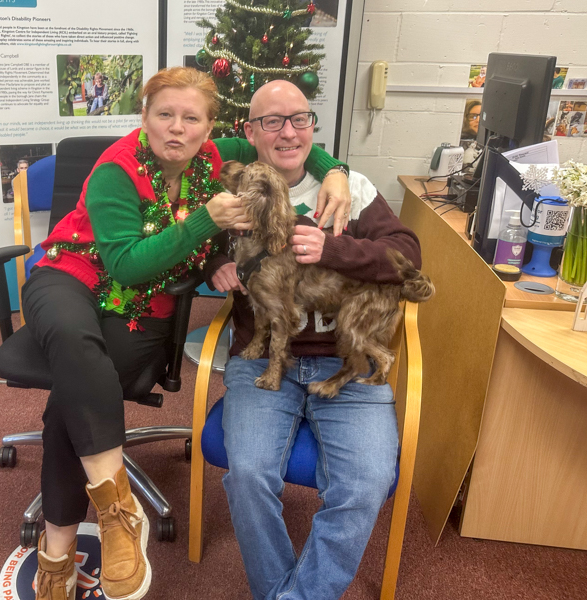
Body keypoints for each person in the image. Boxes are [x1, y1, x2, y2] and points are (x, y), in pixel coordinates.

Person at [22, 66, 351, 600]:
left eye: (190, 118)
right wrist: (207, 225)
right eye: (164, 115)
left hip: (141, 304)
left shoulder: (215, 155)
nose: (176, 128)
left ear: (209, 127)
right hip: (74, 275)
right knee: (76, 349)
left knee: (72, 395)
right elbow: (126, 265)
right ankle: (115, 517)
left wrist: (334, 168)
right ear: (145, 119)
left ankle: (58, 548)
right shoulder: (116, 169)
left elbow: (281, 140)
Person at [203, 80, 422, 600]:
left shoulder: (352, 190)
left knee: (365, 484)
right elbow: (201, 248)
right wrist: (216, 263)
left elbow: (408, 256)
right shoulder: (232, 196)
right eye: (272, 121)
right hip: (262, 362)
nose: (288, 132)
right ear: (250, 132)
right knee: (249, 475)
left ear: (313, 127)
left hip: (344, 362)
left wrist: (332, 249)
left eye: (299, 119)